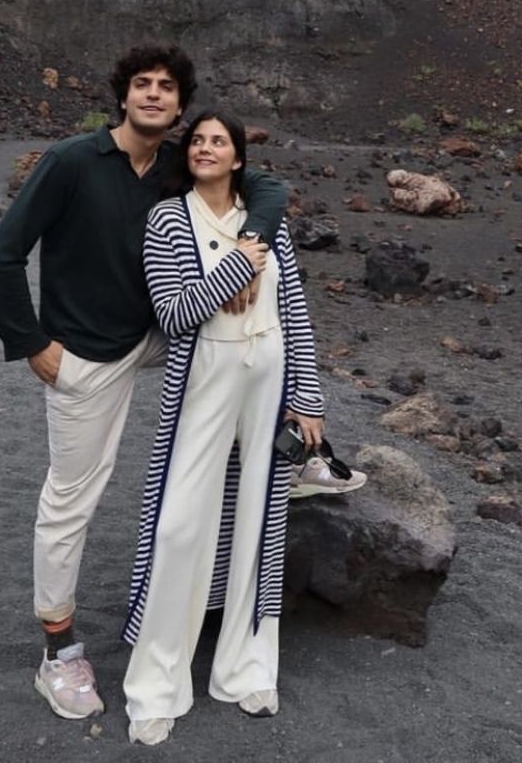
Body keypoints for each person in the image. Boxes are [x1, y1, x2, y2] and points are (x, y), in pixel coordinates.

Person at [0, 45, 288, 721]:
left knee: (244, 347)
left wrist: (249, 248)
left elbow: (266, 188)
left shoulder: (176, 166)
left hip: (158, 336)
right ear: (122, 96)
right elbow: (4, 252)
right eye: (143, 85)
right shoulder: (70, 163)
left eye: (167, 87)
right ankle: (57, 652)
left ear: (180, 105)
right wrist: (32, 343)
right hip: (84, 353)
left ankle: (288, 448)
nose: (154, 95)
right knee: (72, 495)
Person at [121, 111, 360, 746]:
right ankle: (156, 684)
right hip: (204, 377)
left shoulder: (266, 218)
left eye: (217, 141)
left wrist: (307, 397)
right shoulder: (167, 220)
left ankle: (245, 668)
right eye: (196, 140)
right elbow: (173, 314)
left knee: (259, 514)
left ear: (237, 158)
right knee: (179, 525)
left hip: (269, 375)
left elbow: (296, 313)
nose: (205, 148)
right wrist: (238, 266)